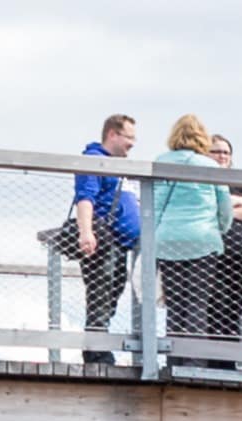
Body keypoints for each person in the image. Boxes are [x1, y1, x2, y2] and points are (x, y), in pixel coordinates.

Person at [63, 114, 142, 369]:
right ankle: (96, 352)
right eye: (129, 137)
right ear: (112, 134)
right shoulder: (95, 160)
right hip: (104, 241)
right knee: (101, 292)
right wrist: (86, 232)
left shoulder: (118, 166)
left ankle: (100, 346)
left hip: (120, 243)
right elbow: (85, 197)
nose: (132, 143)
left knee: (111, 293)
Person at [152, 119, 237, 351]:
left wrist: (153, 235)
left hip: (168, 241)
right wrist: (219, 230)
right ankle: (193, 361)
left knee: (176, 305)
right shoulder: (210, 166)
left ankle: (173, 359)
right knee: (197, 304)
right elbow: (225, 208)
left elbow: (155, 205)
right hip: (202, 240)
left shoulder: (161, 162)